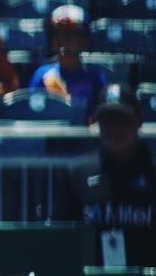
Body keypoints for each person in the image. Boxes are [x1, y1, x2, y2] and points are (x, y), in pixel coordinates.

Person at [58, 83, 156, 266]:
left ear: (139, 120)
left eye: (122, 119)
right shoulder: (78, 175)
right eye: (107, 119)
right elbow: (63, 242)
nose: (114, 127)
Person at [28, 5, 107, 119]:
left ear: (83, 40)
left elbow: (100, 118)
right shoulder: (42, 75)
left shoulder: (95, 76)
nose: (63, 41)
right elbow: (33, 114)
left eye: (70, 35)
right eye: (57, 35)